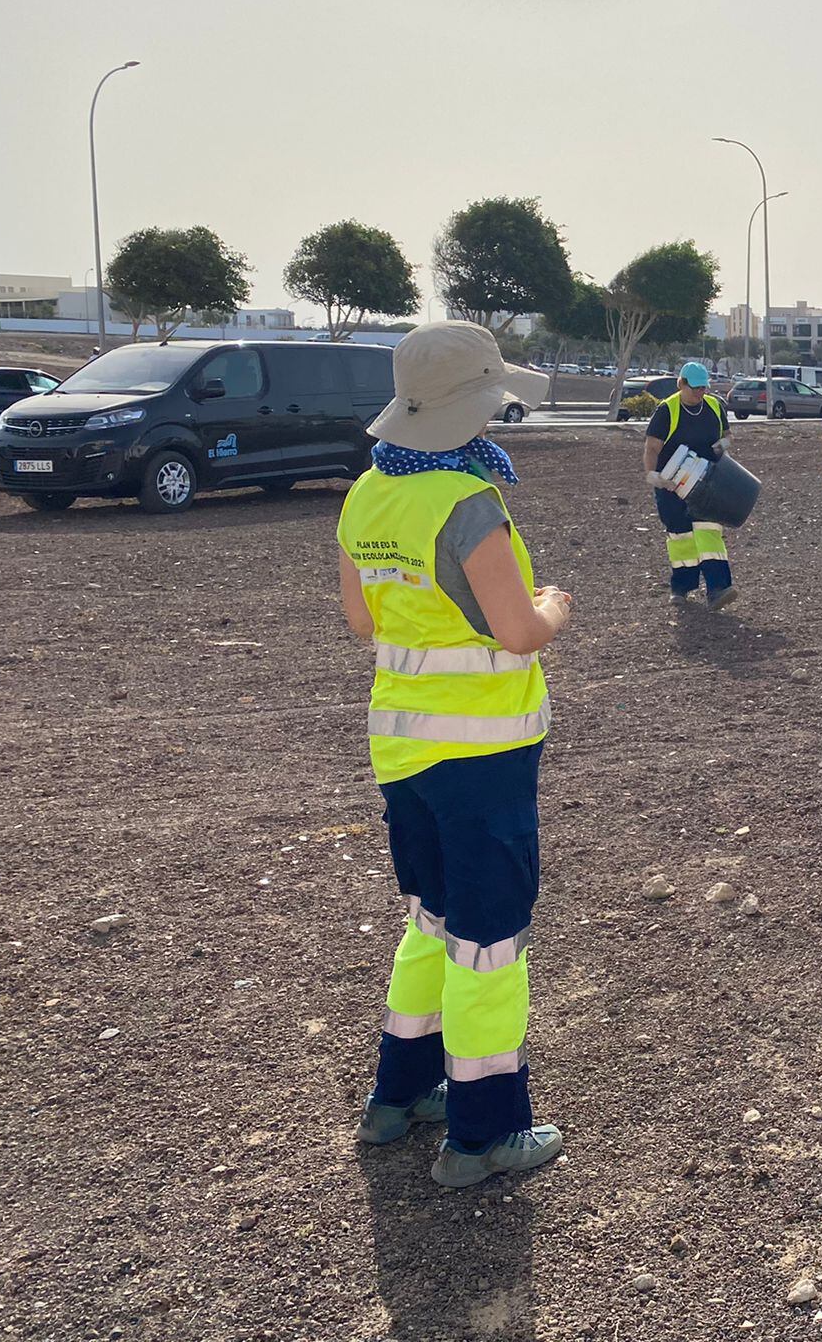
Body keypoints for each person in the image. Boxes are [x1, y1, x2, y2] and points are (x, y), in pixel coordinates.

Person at [336, 321, 573, 1188]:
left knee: (432, 922)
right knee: (489, 946)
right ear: (474, 408)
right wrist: (554, 606)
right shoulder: (469, 503)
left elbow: (363, 622)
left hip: (401, 748)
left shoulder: (368, 493)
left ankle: (397, 1097)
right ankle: (482, 1135)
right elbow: (516, 632)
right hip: (483, 759)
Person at [644, 361, 736, 611]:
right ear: (681, 384)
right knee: (680, 535)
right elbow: (653, 446)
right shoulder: (668, 410)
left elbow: (727, 434)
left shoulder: (715, 406)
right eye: (695, 388)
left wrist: (723, 445)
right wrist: (653, 474)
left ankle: (719, 589)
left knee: (709, 530)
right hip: (672, 483)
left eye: (703, 388)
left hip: (705, 480)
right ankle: (681, 588)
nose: (700, 393)